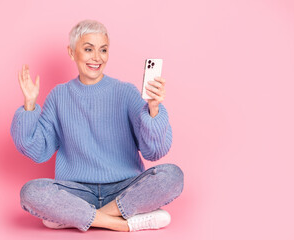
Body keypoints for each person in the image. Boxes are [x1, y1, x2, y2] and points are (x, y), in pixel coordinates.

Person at [10, 19, 184, 232]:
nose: (97, 57)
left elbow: (155, 152)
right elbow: (37, 150)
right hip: (78, 191)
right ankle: (123, 224)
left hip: (125, 188)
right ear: (72, 52)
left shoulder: (125, 92)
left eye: (103, 50)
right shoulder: (59, 96)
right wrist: (29, 105)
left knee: (173, 175)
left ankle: (77, 216)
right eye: (88, 49)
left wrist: (154, 110)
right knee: (31, 191)